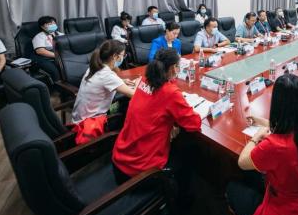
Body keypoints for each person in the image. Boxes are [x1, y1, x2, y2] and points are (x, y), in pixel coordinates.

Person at [227, 74, 298, 215]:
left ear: (276, 103)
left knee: (232, 187)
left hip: (287, 213)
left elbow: (242, 162)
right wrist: (262, 122)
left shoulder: (275, 145)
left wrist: (256, 138)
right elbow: (291, 124)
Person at [112, 48, 201, 186]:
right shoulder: (170, 93)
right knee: (189, 155)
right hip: (139, 172)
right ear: (173, 68)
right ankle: (181, 196)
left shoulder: (145, 79)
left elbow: (154, 107)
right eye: (179, 66)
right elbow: (194, 124)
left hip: (120, 157)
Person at [71, 40, 138, 143]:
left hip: (78, 119)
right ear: (115, 56)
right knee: (130, 106)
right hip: (89, 125)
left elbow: (106, 80)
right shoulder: (107, 76)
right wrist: (138, 83)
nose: (123, 58)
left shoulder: (95, 67)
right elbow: (134, 95)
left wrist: (121, 81)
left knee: (123, 101)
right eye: (123, 55)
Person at [31, 16, 63, 81]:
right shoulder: (39, 36)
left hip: (61, 56)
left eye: (53, 23)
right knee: (55, 71)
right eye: (49, 24)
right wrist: (57, 56)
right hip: (46, 58)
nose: (52, 25)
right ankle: (57, 85)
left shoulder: (61, 34)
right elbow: (40, 51)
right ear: (42, 26)